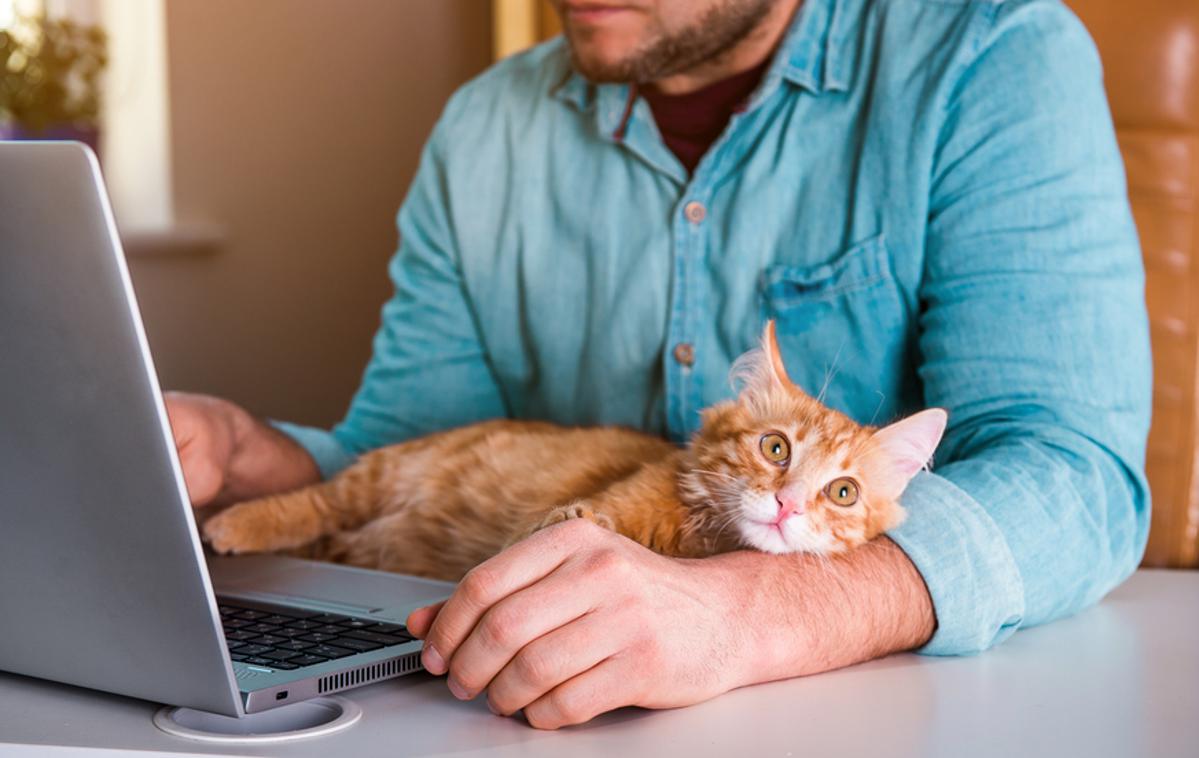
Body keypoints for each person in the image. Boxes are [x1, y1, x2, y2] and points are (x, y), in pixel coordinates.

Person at [167, 0, 1151, 730]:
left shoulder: (991, 59)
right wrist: (259, 455)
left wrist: (747, 609)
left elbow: (1074, 472)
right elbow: (411, 447)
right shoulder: (483, 126)